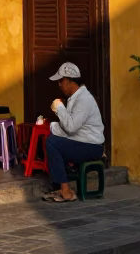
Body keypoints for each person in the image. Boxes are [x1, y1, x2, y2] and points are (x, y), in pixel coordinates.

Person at [42, 61, 104, 202]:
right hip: (83, 142)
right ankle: (62, 187)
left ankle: (66, 191)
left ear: (70, 81)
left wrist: (59, 108)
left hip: (92, 147)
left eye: (61, 81)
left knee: (53, 143)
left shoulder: (83, 99)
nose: (59, 84)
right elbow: (69, 127)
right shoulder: (75, 98)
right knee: (54, 140)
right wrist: (54, 126)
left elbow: (70, 127)